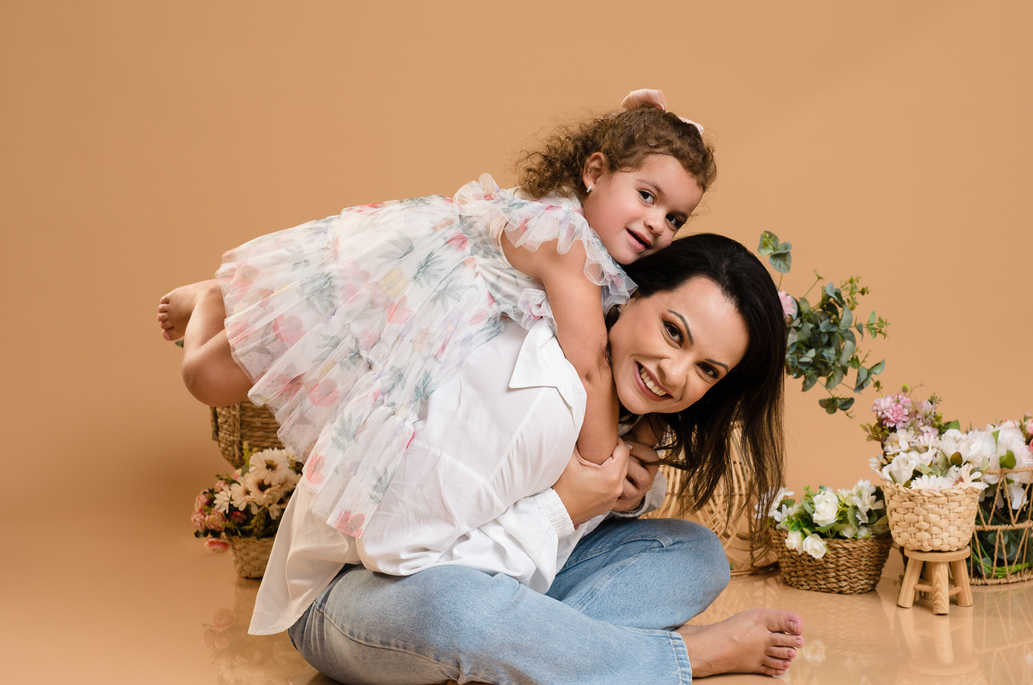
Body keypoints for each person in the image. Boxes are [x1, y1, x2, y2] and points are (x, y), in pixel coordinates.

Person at [238, 234, 802, 685]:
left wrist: (621, 493)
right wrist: (563, 508)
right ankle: (676, 660)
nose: (676, 375)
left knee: (695, 555)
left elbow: (531, 541)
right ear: (628, 293)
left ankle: (465, 673)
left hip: (468, 585)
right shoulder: (537, 394)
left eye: (707, 370)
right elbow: (398, 558)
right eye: (673, 332)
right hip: (353, 596)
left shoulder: (614, 396)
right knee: (460, 615)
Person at [157, 90, 713, 544]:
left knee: (226, 378)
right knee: (206, 378)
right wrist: (600, 463)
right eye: (646, 195)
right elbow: (588, 361)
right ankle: (208, 299)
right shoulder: (568, 244)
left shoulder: (596, 242)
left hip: (417, 325)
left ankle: (216, 305)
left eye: (674, 216)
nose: (658, 223)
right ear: (594, 173)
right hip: (388, 301)